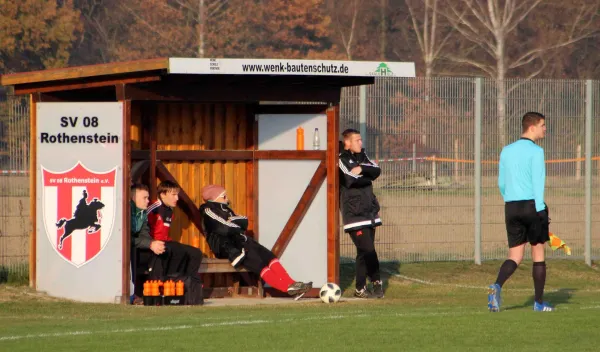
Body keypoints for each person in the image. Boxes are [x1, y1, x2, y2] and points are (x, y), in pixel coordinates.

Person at [199, 184, 313, 300]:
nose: (227, 198)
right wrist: (235, 224)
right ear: (214, 198)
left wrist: (232, 222)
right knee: (259, 264)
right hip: (228, 247)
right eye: (224, 196)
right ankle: (286, 288)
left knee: (268, 256)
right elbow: (225, 228)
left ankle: (292, 283)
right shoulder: (208, 210)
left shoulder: (226, 210)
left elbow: (244, 221)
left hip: (241, 241)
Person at [488, 111, 554, 312]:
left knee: (515, 255)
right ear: (532, 127)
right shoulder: (536, 151)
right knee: (538, 252)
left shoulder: (506, 150)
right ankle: (539, 303)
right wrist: (541, 211)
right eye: (543, 125)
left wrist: (510, 199)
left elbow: (501, 183)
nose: (545, 129)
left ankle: (497, 285)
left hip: (511, 206)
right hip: (531, 206)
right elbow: (538, 183)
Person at [338, 128, 384, 299]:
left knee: (363, 253)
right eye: (357, 140)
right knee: (368, 249)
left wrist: (362, 169)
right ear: (347, 142)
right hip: (354, 214)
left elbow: (377, 170)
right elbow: (350, 179)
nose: (360, 143)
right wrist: (367, 175)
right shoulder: (341, 159)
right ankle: (377, 281)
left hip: (370, 211)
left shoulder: (363, 158)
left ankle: (360, 289)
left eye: (360, 140)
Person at [147, 180, 203, 281]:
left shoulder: (169, 210)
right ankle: (173, 281)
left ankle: (190, 282)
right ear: (163, 195)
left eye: (177, 195)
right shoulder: (153, 208)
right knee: (177, 249)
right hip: (154, 245)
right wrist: (150, 243)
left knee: (196, 253)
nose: (177, 198)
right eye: (173, 195)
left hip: (166, 243)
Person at [129, 183, 165, 302]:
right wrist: (149, 244)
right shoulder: (127, 211)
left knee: (160, 251)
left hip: (136, 244)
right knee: (131, 251)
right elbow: (126, 239)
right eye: (145, 198)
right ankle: (131, 294)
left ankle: (156, 292)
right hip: (125, 248)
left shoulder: (142, 212)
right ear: (133, 198)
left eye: (148, 197)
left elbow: (144, 233)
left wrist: (154, 243)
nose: (148, 201)